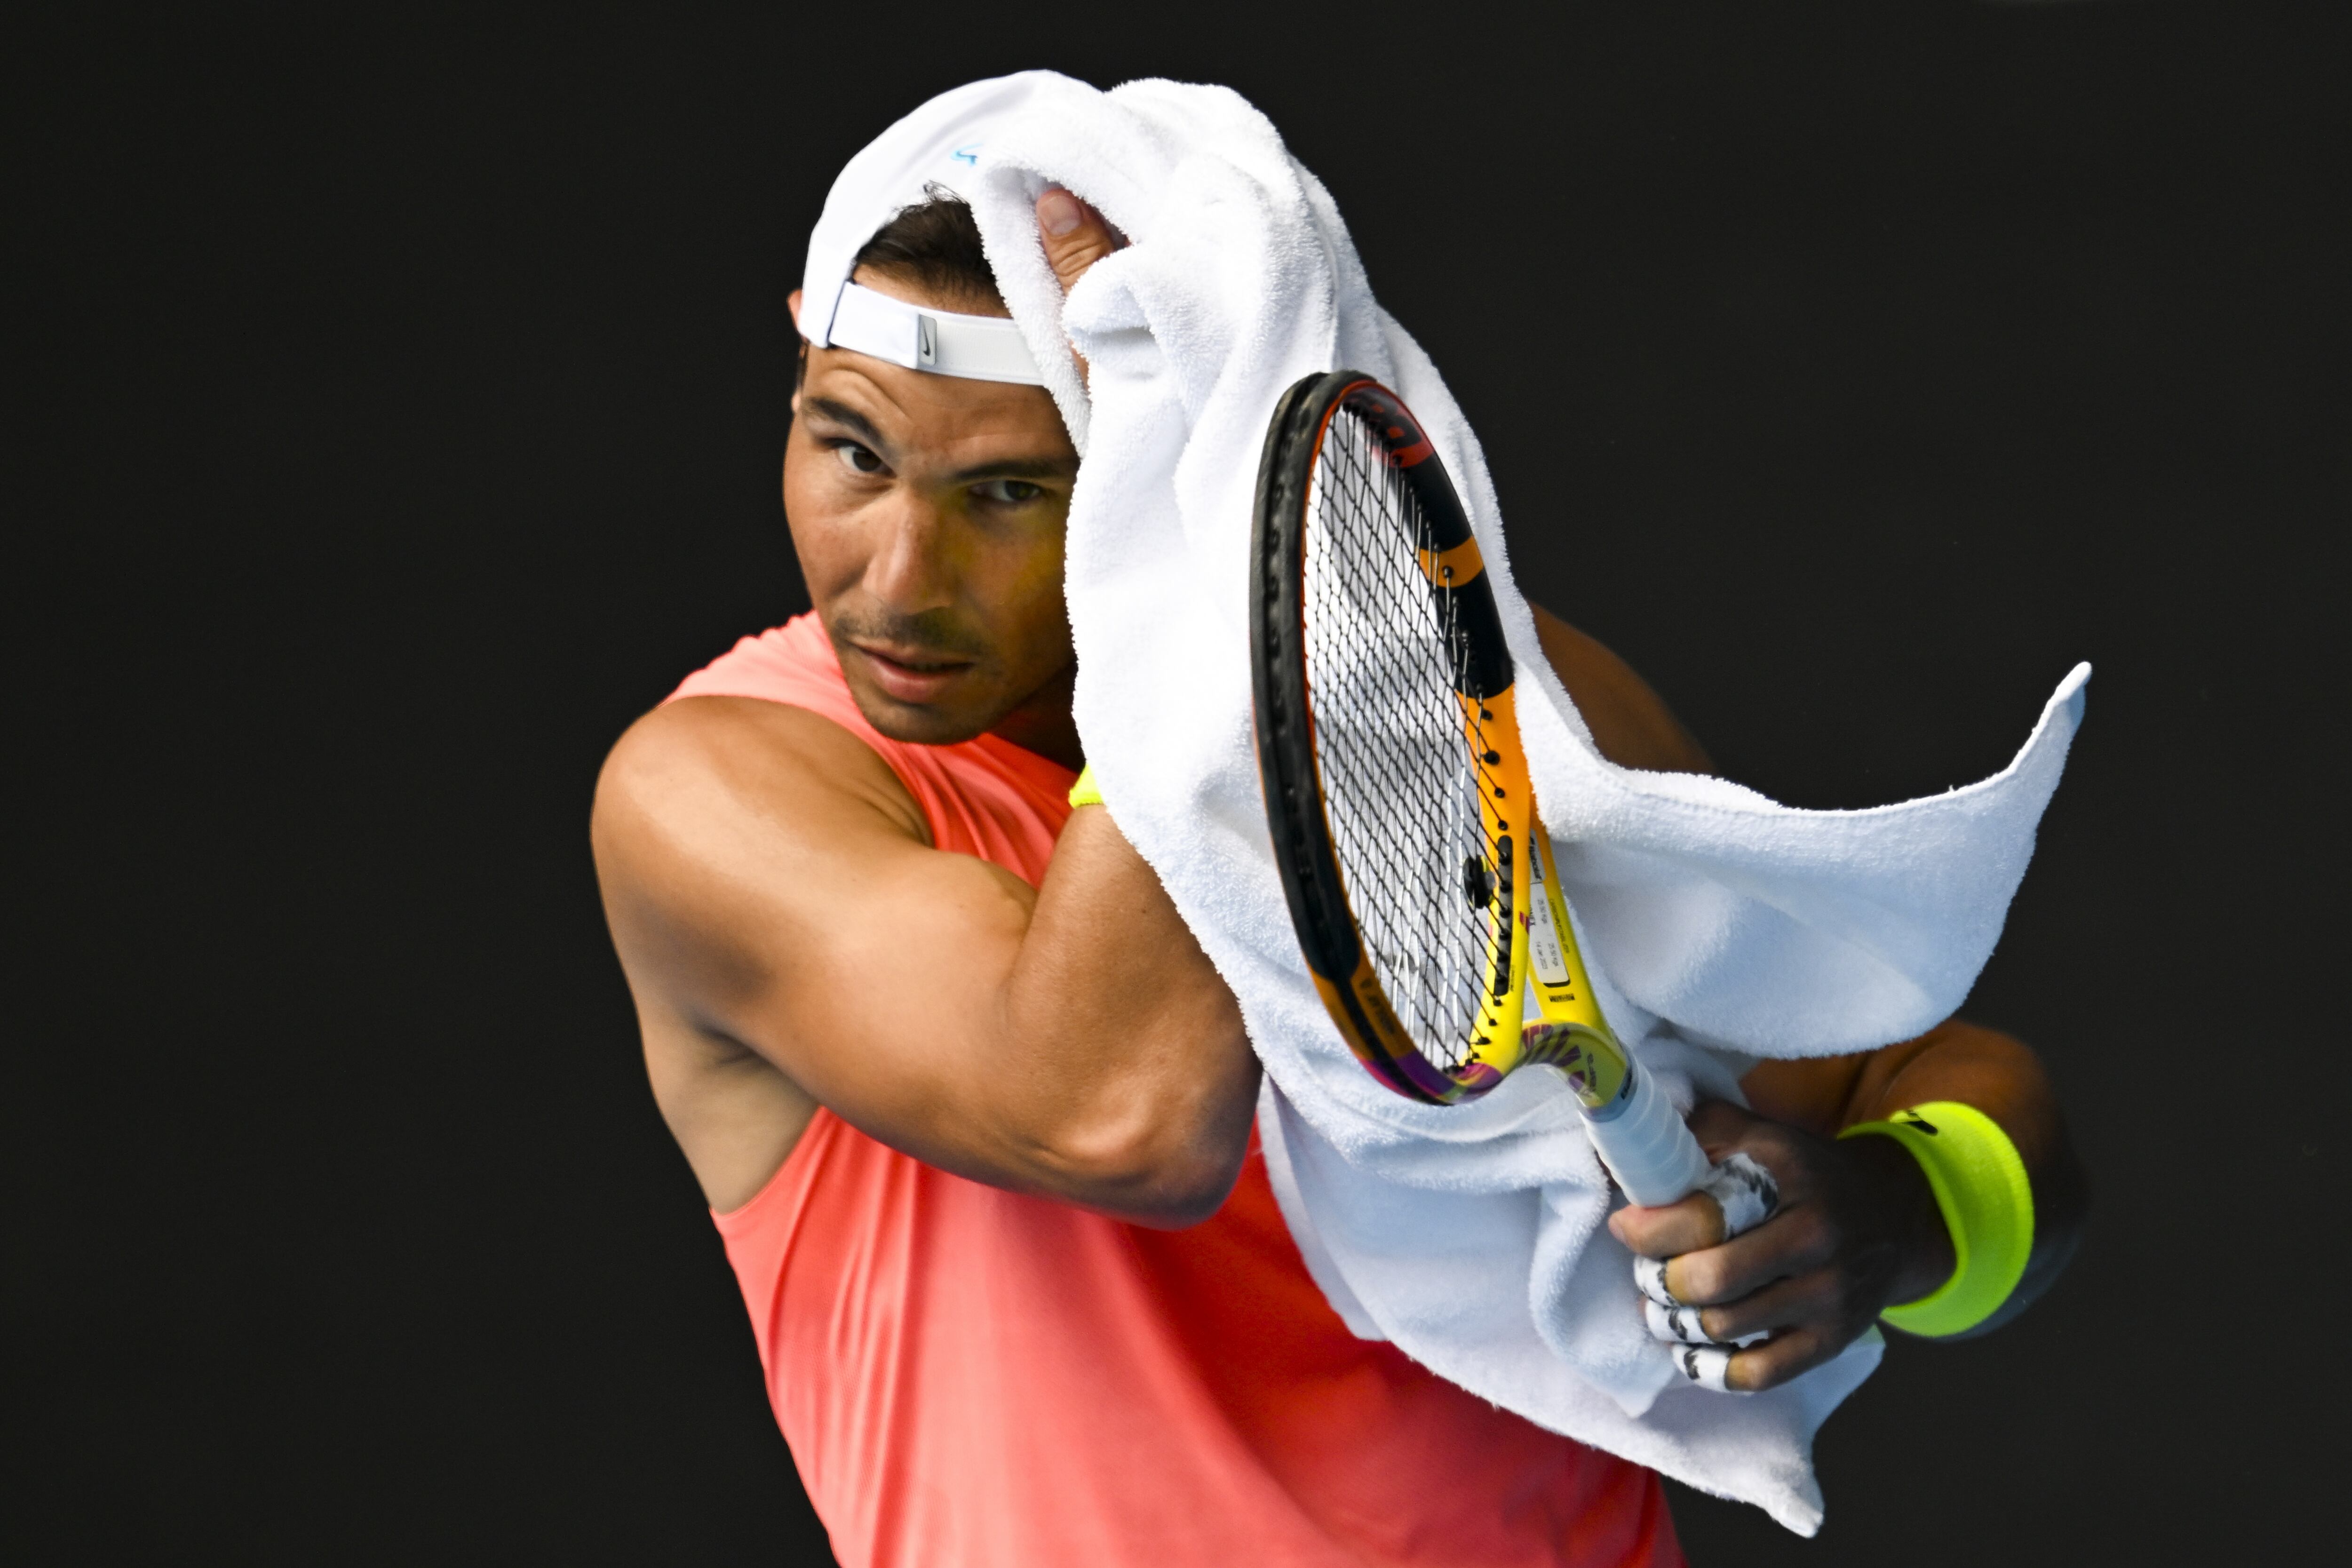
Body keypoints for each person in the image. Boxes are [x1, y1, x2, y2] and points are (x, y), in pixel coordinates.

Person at [590, 184, 2087, 1568]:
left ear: (1133, 483)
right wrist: (1210, 557)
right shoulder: (718, 792)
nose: (899, 576)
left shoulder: (1475, 689)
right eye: (851, 449)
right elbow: (1121, 1116)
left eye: (1010, 494)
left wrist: (1889, 1212)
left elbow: (1937, 1085)